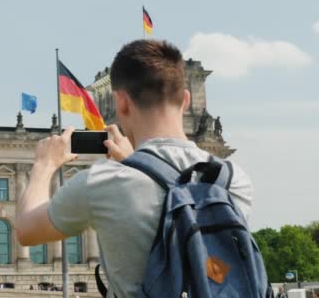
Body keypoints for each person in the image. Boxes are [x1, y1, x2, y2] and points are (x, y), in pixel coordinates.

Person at [15, 39, 253, 298]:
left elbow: (26, 230)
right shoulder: (232, 179)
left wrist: (43, 165)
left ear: (121, 103)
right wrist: (137, 164)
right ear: (185, 99)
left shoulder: (103, 183)